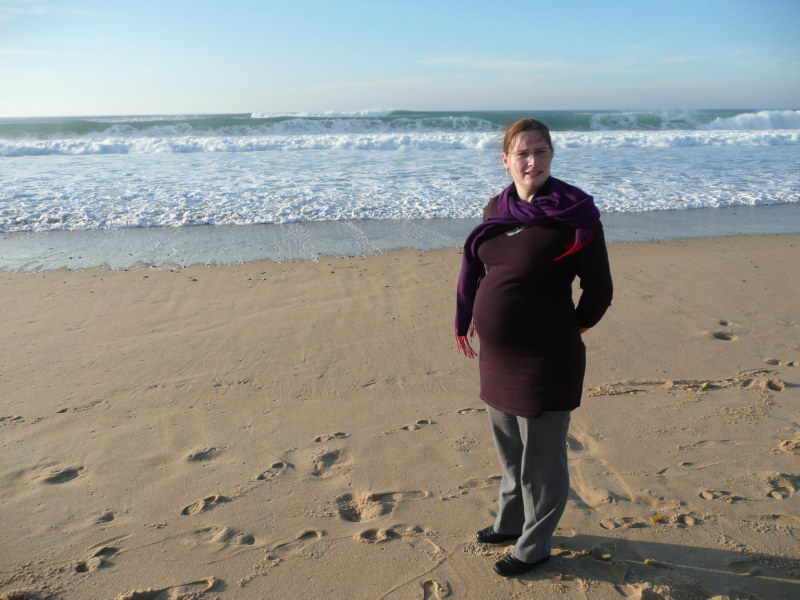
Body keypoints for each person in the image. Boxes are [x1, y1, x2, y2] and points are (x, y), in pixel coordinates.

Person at [454, 117, 613, 577]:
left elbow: (599, 290)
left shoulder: (576, 215)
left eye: (540, 151)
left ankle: (535, 545)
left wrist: (570, 328)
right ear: (505, 160)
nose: (531, 161)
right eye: (522, 153)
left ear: (551, 155)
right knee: (509, 450)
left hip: (547, 357)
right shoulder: (497, 207)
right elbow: (485, 267)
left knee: (541, 461)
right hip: (498, 357)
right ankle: (511, 522)